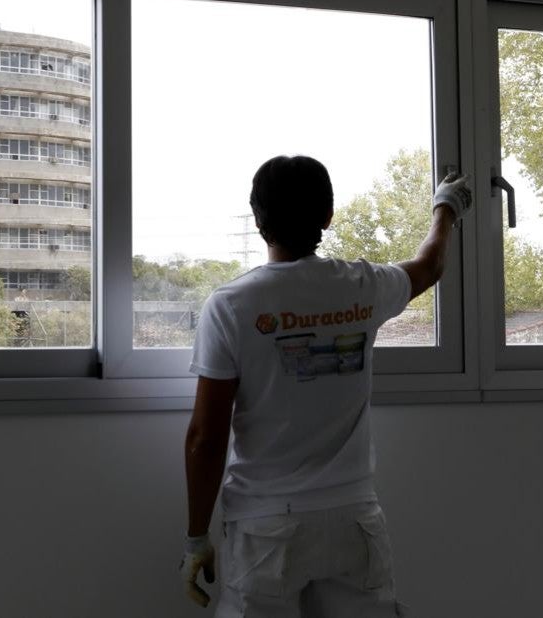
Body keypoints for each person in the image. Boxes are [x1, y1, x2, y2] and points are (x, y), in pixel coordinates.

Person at [179, 155, 472, 616]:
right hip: (353, 522)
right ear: (328, 216)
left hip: (266, 527)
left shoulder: (232, 305)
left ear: (258, 220)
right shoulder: (362, 286)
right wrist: (446, 206)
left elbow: (205, 438)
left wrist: (197, 537)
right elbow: (429, 266)